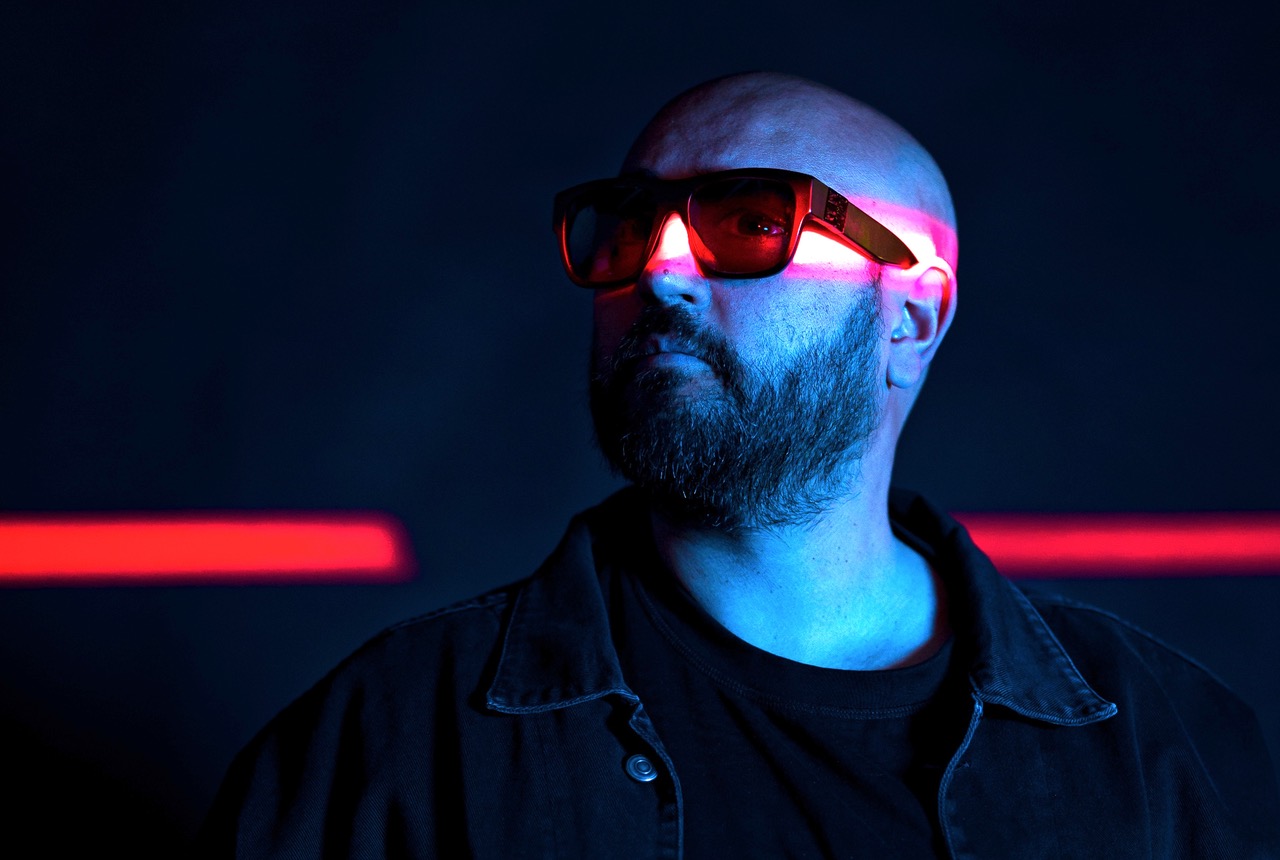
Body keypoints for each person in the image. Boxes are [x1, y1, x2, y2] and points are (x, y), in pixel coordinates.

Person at [198, 73, 1280, 858]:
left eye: (752, 223)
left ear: (909, 319)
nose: (659, 272)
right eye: (629, 228)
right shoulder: (389, 743)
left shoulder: (1168, 748)